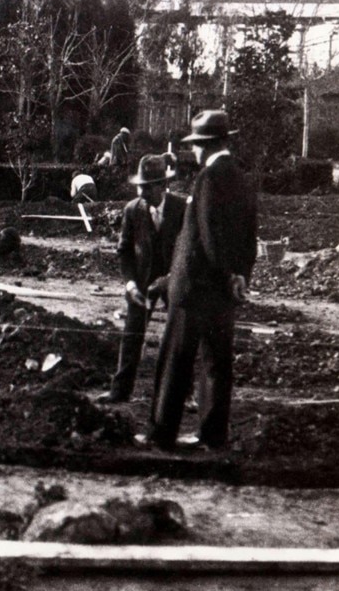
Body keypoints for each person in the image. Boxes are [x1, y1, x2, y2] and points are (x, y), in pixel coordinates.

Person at [136, 110, 257, 451]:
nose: (194, 151)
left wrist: (226, 272)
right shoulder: (242, 178)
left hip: (193, 287)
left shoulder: (207, 178)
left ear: (207, 145)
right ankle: (212, 435)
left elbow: (208, 234)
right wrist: (239, 276)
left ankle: (161, 434)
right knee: (217, 362)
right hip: (223, 290)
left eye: (196, 145)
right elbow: (249, 236)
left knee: (175, 360)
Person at [96, 154, 186, 404]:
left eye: (147, 187)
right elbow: (124, 250)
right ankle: (120, 390)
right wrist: (131, 284)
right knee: (132, 334)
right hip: (142, 280)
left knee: (180, 336)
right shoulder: (132, 210)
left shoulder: (182, 209)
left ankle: (184, 393)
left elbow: (189, 252)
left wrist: (170, 279)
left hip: (175, 279)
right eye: (140, 186)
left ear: (162, 186)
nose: (141, 192)